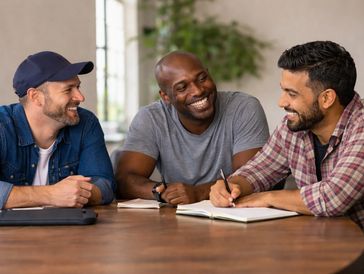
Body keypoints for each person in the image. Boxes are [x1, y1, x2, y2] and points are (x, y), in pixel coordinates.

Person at [210, 41, 364, 229]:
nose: (281, 102)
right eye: (283, 90)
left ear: (326, 98)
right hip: (321, 243)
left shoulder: (360, 126)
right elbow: (259, 169)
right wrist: (232, 186)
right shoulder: (294, 127)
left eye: (291, 94)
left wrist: (268, 197)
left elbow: (333, 198)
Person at [116, 51, 270, 205]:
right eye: (182, 88)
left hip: (235, 216)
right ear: (165, 97)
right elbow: (124, 180)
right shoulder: (151, 118)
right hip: (176, 219)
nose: (198, 90)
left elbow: (252, 177)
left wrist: (199, 192)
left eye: (202, 78)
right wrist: (162, 192)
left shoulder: (243, 108)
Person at [0, 51, 115, 209]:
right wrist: (51, 195)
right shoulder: (2, 126)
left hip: (68, 232)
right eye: (68, 90)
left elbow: (105, 184)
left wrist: (77, 193)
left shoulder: (86, 123)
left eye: (78, 87)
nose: (80, 97)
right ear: (36, 97)